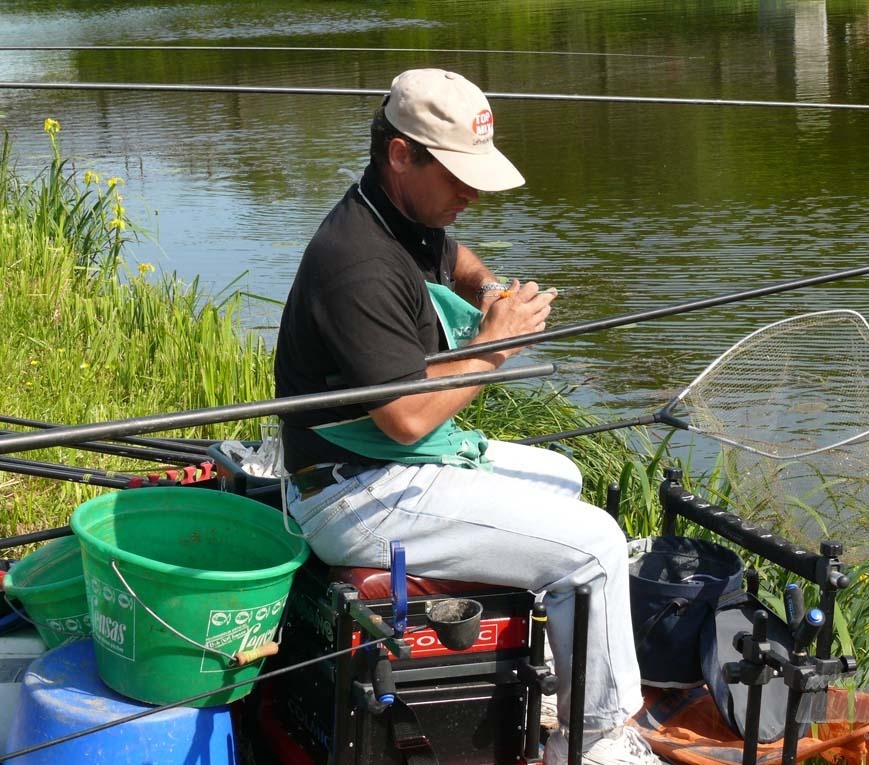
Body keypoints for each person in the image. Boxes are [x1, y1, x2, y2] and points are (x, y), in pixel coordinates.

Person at [273, 68, 660, 765]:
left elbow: (457, 261)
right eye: (457, 175)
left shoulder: (401, 214)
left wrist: (488, 291)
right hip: (355, 490)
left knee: (565, 478)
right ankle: (598, 740)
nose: (472, 192)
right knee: (597, 544)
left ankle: (553, 671)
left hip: (375, 465)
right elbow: (408, 419)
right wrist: (491, 349)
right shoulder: (356, 263)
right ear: (401, 155)